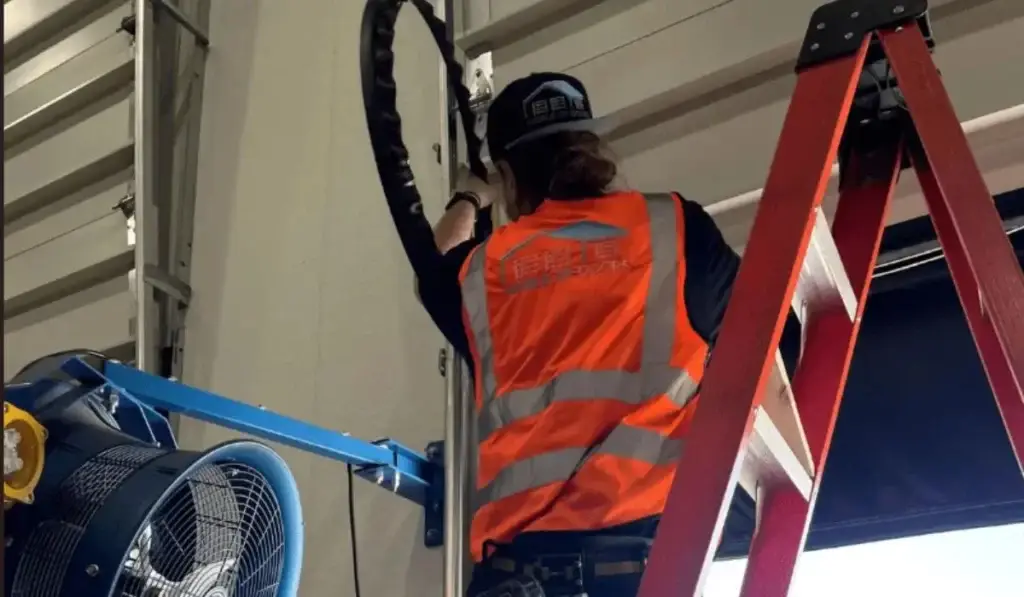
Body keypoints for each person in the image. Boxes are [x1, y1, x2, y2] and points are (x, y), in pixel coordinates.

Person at [416, 72, 751, 597]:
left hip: (517, 575)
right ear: (591, 146)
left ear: (507, 175)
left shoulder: (485, 273)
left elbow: (429, 269)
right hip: (649, 566)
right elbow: (772, 345)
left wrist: (469, 197)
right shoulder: (675, 227)